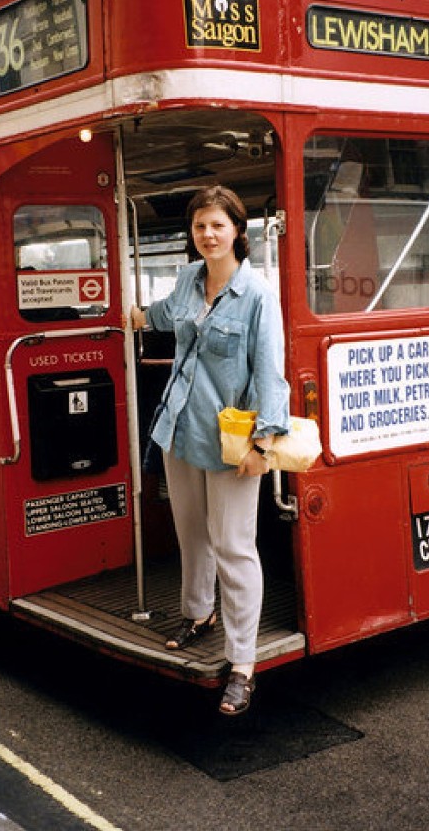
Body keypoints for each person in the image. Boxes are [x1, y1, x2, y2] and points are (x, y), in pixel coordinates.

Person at [131, 185, 290, 716]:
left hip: (231, 441)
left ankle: (242, 664)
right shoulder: (185, 280)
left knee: (233, 547)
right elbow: (162, 315)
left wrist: (263, 446)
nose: (208, 235)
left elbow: (272, 376)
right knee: (191, 534)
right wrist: (133, 315)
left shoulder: (258, 297)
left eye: (217, 225)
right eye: (200, 226)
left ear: (238, 231)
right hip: (178, 430)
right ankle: (198, 614)